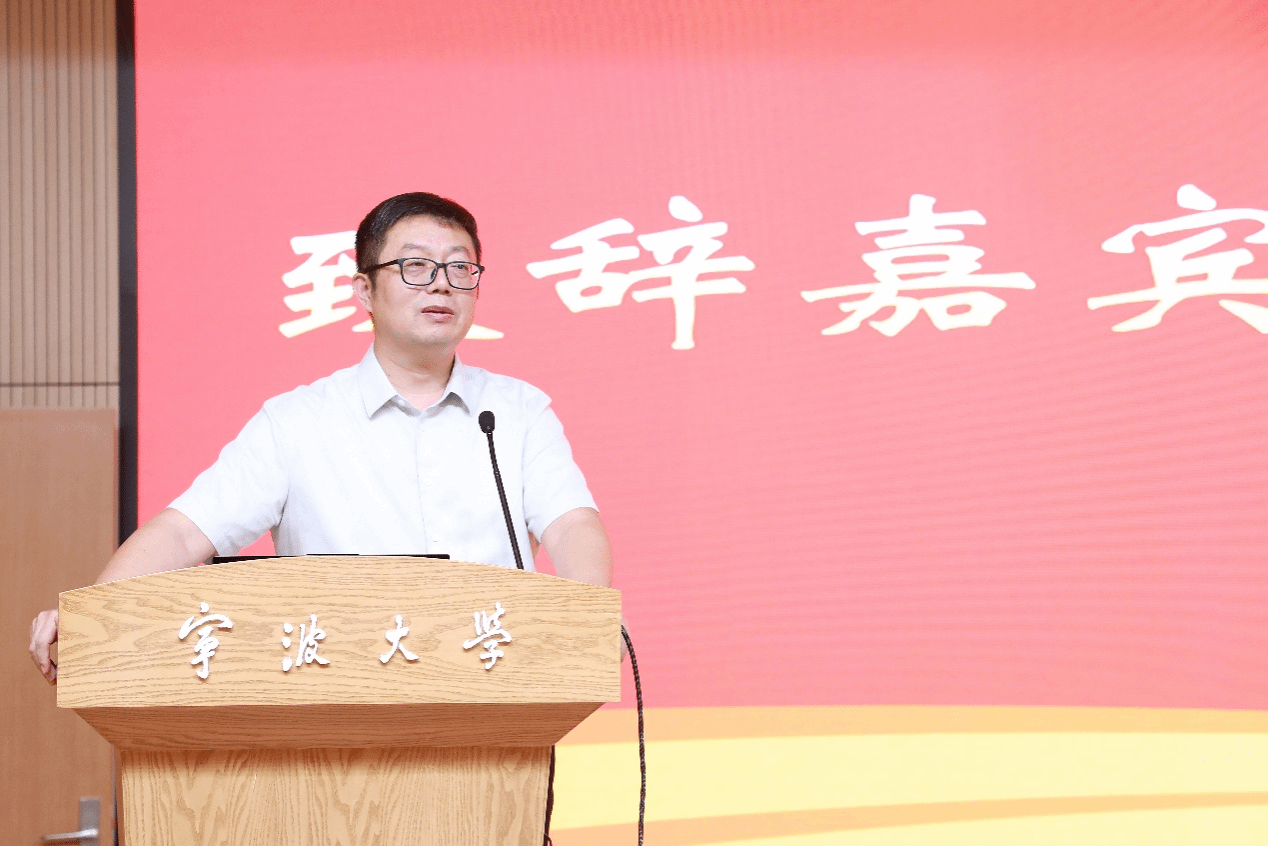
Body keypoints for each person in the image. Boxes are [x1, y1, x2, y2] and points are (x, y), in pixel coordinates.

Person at [29, 191, 614, 684]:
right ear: (364, 291)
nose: (441, 285)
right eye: (415, 267)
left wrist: (585, 616)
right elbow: (185, 532)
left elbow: (570, 525)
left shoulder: (517, 412)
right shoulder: (297, 421)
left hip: (493, 692)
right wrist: (92, 614)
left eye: (460, 268)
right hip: (334, 700)